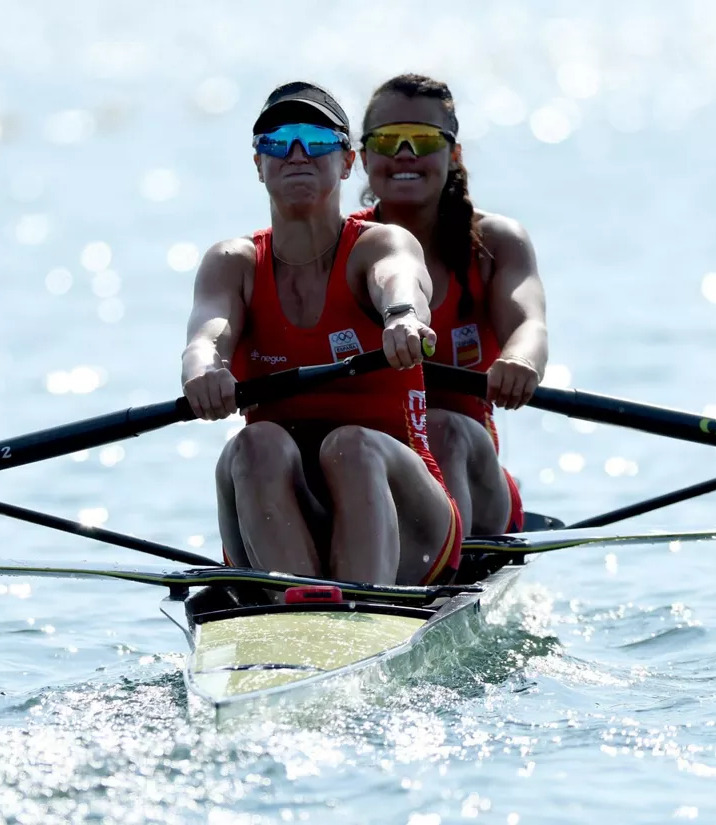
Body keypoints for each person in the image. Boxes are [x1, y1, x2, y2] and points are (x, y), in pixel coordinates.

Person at [180, 81, 463, 587]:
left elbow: (399, 279)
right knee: (253, 444)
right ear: (259, 164)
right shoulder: (232, 263)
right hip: (280, 507)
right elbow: (207, 336)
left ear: (348, 162)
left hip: (409, 518)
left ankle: (356, 608)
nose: (296, 154)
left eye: (316, 140)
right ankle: (303, 602)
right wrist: (205, 370)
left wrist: (402, 317)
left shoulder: (379, 244)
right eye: (277, 141)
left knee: (349, 447)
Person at [354, 73, 548, 536]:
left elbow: (530, 324)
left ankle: (447, 563)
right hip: (370, 465)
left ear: (454, 154)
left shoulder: (496, 242)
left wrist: (520, 360)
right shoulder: (341, 247)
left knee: (441, 427)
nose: (405, 153)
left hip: (470, 471)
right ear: (363, 158)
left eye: (423, 140)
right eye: (387, 140)